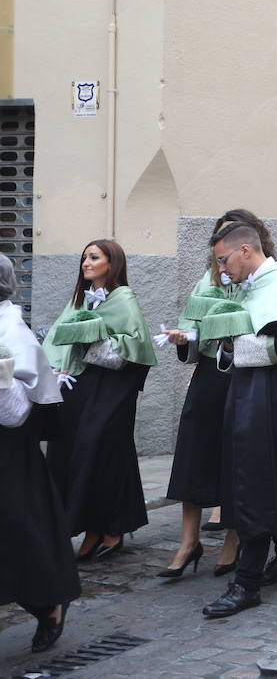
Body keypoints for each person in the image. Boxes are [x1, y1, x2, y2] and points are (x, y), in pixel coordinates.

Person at [198, 221, 277, 618]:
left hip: (270, 397)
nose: (223, 270)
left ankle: (246, 582)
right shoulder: (252, 287)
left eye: (224, 260)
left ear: (245, 250)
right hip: (252, 391)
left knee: (255, 478)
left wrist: (232, 341)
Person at [161, 210, 275, 580]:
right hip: (209, 375)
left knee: (234, 457)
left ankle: (233, 538)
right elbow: (193, 328)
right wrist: (185, 338)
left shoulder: (261, 281)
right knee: (194, 454)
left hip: (243, 374)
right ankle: (188, 541)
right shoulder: (206, 281)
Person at [42, 239, 156, 562]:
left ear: (112, 262)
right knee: (75, 453)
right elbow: (59, 338)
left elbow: (135, 346)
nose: (86, 263)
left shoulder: (124, 299)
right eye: (84, 258)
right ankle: (92, 528)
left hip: (113, 389)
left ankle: (110, 528)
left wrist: (96, 338)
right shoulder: (80, 300)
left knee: (102, 450)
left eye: (94, 257)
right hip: (79, 386)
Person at [0, 254, 81, 653]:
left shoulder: (9, 331)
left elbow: (14, 412)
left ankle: (48, 603)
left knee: (21, 538)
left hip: (7, 457)